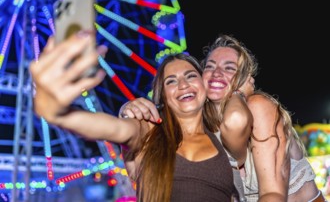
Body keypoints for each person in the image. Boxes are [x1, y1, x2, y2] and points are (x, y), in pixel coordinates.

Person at [29, 31, 254, 201]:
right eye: (171, 81)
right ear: (163, 96)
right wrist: (58, 113)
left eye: (190, 76)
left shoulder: (222, 136)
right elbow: (113, 128)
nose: (183, 85)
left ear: (204, 87)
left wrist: (238, 90)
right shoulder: (148, 131)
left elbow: (238, 118)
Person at [119, 34, 325, 202]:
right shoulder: (199, 126)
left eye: (229, 68)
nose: (217, 73)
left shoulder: (258, 107)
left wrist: (238, 95)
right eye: (210, 66)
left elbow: (273, 195)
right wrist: (127, 110)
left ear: (244, 78)